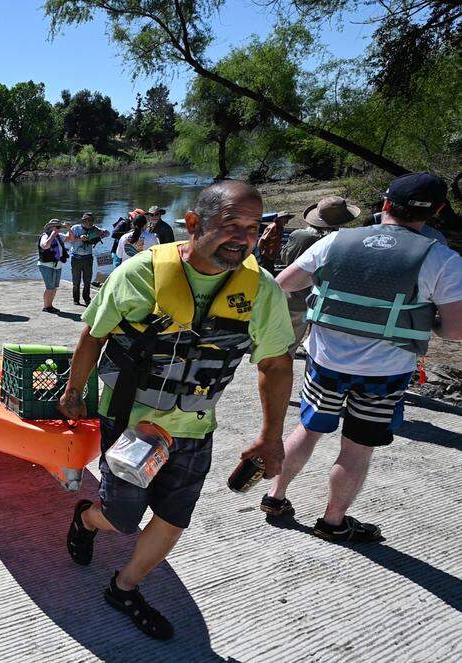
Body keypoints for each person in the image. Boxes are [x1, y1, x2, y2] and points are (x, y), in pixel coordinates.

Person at [58, 180, 294, 640]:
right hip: (130, 424)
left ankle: (124, 588)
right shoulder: (137, 274)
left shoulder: (261, 290)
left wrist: (271, 435)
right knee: (121, 518)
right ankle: (87, 518)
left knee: (173, 516)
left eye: (252, 228)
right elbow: (93, 334)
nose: (244, 238)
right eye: (231, 226)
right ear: (193, 224)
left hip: (194, 427)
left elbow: (275, 363)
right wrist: (74, 390)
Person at [262, 173, 462, 541]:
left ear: (385, 204)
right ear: (436, 211)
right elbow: (455, 331)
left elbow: (281, 285)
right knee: (357, 448)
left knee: (307, 429)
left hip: (325, 365)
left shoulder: (337, 240)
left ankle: (276, 497)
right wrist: (422, 319)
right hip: (384, 375)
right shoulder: (443, 260)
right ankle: (333, 523)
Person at [279, 197, 358, 353]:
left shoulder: (299, 236)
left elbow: (285, 257)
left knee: (286, 346)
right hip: (326, 302)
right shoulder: (345, 242)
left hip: (295, 299)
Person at [67, 212, 109, 306]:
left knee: (87, 281)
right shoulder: (75, 228)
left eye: (92, 220)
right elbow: (68, 239)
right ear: (83, 220)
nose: (90, 222)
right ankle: (76, 299)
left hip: (88, 258)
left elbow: (108, 233)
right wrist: (79, 238)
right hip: (76, 258)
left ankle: (87, 299)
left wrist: (101, 234)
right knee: (76, 281)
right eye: (87, 220)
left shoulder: (95, 229)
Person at [38, 219, 69, 313]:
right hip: (46, 265)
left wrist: (69, 229)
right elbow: (45, 246)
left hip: (57, 265)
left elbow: (71, 239)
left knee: (54, 287)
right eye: (57, 227)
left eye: (60, 228)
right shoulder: (45, 236)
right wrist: (52, 235)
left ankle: (50, 305)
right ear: (50, 227)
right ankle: (46, 307)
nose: (59, 230)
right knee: (50, 287)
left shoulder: (58, 236)